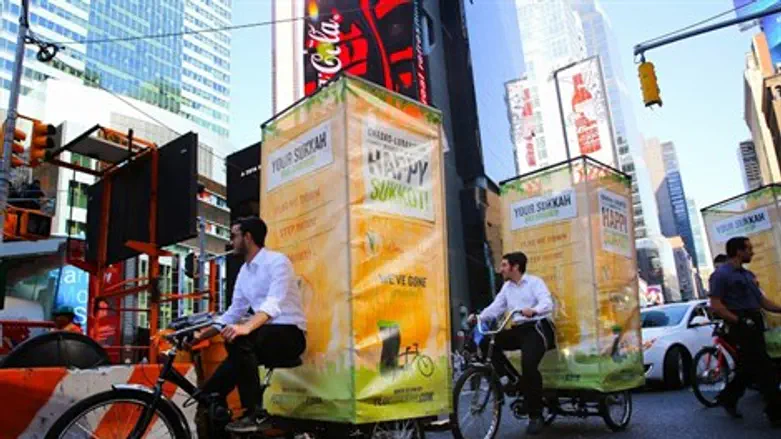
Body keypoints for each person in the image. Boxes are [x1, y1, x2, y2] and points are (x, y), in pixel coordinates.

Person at [190, 217, 307, 433]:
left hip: (290, 334)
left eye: (233, 236)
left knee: (240, 340)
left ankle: (256, 413)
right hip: (260, 336)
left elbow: (273, 304)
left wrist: (245, 327)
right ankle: (223, 417)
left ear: (248, 237)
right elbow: (234, 312)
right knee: (211, 394)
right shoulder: (245, 271)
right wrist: (199, 336)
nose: (231, 241)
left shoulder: (277, 262)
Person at [468, 252, 555, 436]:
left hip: (538, 327)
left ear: (515, 267)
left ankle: (536, 415)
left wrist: (534, 310)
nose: (501, 269)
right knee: (486, 341)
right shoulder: (507, 287)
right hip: (519, 329)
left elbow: (547, 302)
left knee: (529, 366)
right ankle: (511, 379)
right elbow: (496, 307)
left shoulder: (534, 282)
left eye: (504, 265)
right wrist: (479, 317)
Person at [709, 237, 781, 426]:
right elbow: (716, 305)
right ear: (738, 251)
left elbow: (762, 302)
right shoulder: (721, 275)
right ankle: (775, 412)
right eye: (749, 249)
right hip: (740, 324)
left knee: (748, 367)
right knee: (765, 367)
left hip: (755, 322)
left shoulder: (748, 276)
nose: (752, 252)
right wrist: (739, 321)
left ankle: (728, 397)